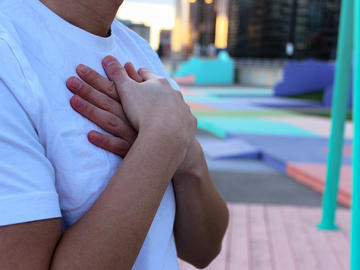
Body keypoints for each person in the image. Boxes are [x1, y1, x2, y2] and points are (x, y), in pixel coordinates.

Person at [0, 0, 229, 269]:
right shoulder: (9, 54)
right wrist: (163, 140)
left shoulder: (139, 51)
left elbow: (204, 250)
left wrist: (187, 154)